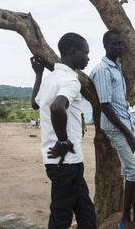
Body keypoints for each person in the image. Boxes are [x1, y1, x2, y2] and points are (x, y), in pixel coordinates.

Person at [31, 33, 96, 229]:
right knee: (61, 216)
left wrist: (38, 74)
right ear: (73, 52)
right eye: (85, 53)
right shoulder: (70, 80)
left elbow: (35, 103)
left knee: (85, 209)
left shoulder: (51, 78)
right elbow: (57, 107)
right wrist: (63, 141)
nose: (87, 58)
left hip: (64, 162)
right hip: (65, 161)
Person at [90, 30, 135, 229]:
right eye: (116, 44)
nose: (120, 47)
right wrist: (127, 132)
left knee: (129, 171)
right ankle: (126, 219)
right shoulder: (103, 70)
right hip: (116, 130)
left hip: (125, 127)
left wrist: (129, 130)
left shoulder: (117, 67)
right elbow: (106, 106)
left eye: (122, 44)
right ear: (106, 45)